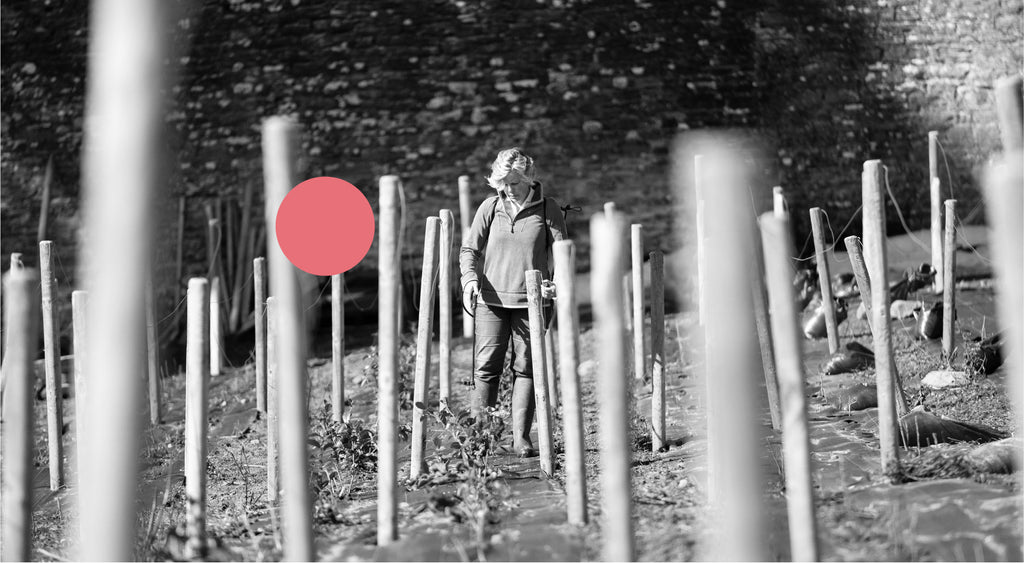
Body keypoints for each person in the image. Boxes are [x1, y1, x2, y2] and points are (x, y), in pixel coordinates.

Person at [459, 147, 567, 458]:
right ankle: (482, 437)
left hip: (533, 303)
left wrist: (555, 285)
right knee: (486, 368)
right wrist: (469, 280)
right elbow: (469, 250)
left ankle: (521, 438)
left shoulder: (548, 209)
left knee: (526, 368)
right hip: (491, 302)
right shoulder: (490, 207)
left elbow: (562, 254)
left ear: (530, 179)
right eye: (502, 183)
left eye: (514, 183)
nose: (508, 189)